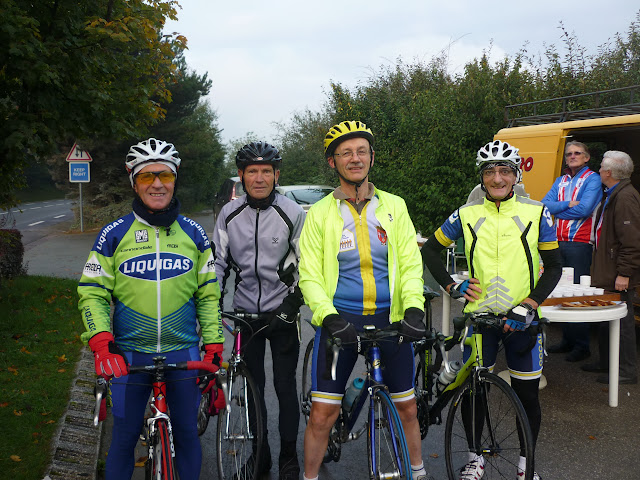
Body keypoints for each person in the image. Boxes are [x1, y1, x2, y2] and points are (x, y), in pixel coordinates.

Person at [78, 138, 224, 480]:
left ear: (175, 180)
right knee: (124, 438)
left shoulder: (194, 233)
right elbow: (92, 292)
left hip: (183, 352)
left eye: (165, 175)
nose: (157, 184)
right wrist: (102, 343)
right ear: (134, 182)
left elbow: (208, 296)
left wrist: (214, 346)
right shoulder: (113, 235)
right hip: (130, 355)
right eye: (147, 176)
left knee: (187, 434)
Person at [299, 121, 432, 480]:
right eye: (346, 153)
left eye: (361, 151)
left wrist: (414, 307)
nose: (354, 158)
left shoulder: (394, 206)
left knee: (407, 407)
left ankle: (418, 471)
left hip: (390, 318)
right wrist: (328, 317)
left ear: (372, 157)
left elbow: (410, 264)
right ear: (333, 162)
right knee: (322, 415)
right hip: (340, 319)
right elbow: (309, 273)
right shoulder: (319, 214)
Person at [422, 140, 562, 480]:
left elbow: (555, 266)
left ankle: (526, 465)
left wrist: (529, 304)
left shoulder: (537, 212)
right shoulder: (466, 214)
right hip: (480, 318)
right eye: (489, 172)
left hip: (522, 322)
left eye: (504, 171)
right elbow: (430, 252)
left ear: (516, 175)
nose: (497, 178)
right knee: (475, 392)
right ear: (482, 177)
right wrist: (453, 287)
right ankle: (475, 457)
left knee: (527, 396)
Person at [212, 141, 306, 480]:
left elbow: (308, 264)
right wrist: (213, 302)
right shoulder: (229, 214)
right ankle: (260, 454)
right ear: (241, 175)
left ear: (277, 175)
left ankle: (288, 458)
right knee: (252, 389)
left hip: (283, 314)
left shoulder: (293, 212)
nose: (260, 178)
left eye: (267, 171)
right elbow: (218, 262)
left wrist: (292, 305)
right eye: (252, 171)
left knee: (284, 387)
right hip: (245, 315)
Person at [581, 150, 640, 384]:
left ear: (609, 172)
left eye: (601, 168)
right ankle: (606, 362)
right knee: (606, 318)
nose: (598, 171)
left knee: (622, 322)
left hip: (618, 274)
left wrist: (624, 273)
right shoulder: (614, 193)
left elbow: (632, 241)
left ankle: (626, 371)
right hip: (609, 271)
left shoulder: (625, 197)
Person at [542, 141, 603, 362]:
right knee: (560, 290)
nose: (572, 156)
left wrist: (558, 209)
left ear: (587, 157)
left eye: (577, 153)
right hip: (557, 241)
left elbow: (585, 209)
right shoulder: (561, 180)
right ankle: (567, 340)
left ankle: (582, 345)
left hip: (580, 243)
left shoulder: (593, 179)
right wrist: (568, 204)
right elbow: (544, 205)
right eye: (569, 154)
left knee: (577, 293)